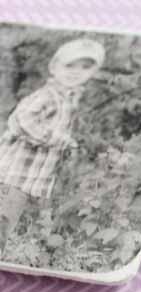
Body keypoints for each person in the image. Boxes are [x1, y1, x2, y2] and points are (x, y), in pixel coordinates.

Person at [0, 38, 105, 254]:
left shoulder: (70, 98)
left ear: (92, 73)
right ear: (54, 67)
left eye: (85, 67)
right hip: (15, 173)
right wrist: (57, 139)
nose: (75, 72)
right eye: (69, 65)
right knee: (6, 214)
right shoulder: (47, 95)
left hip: (36, 176)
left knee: (31, 214)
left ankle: (28, 248)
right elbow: (21, 120)